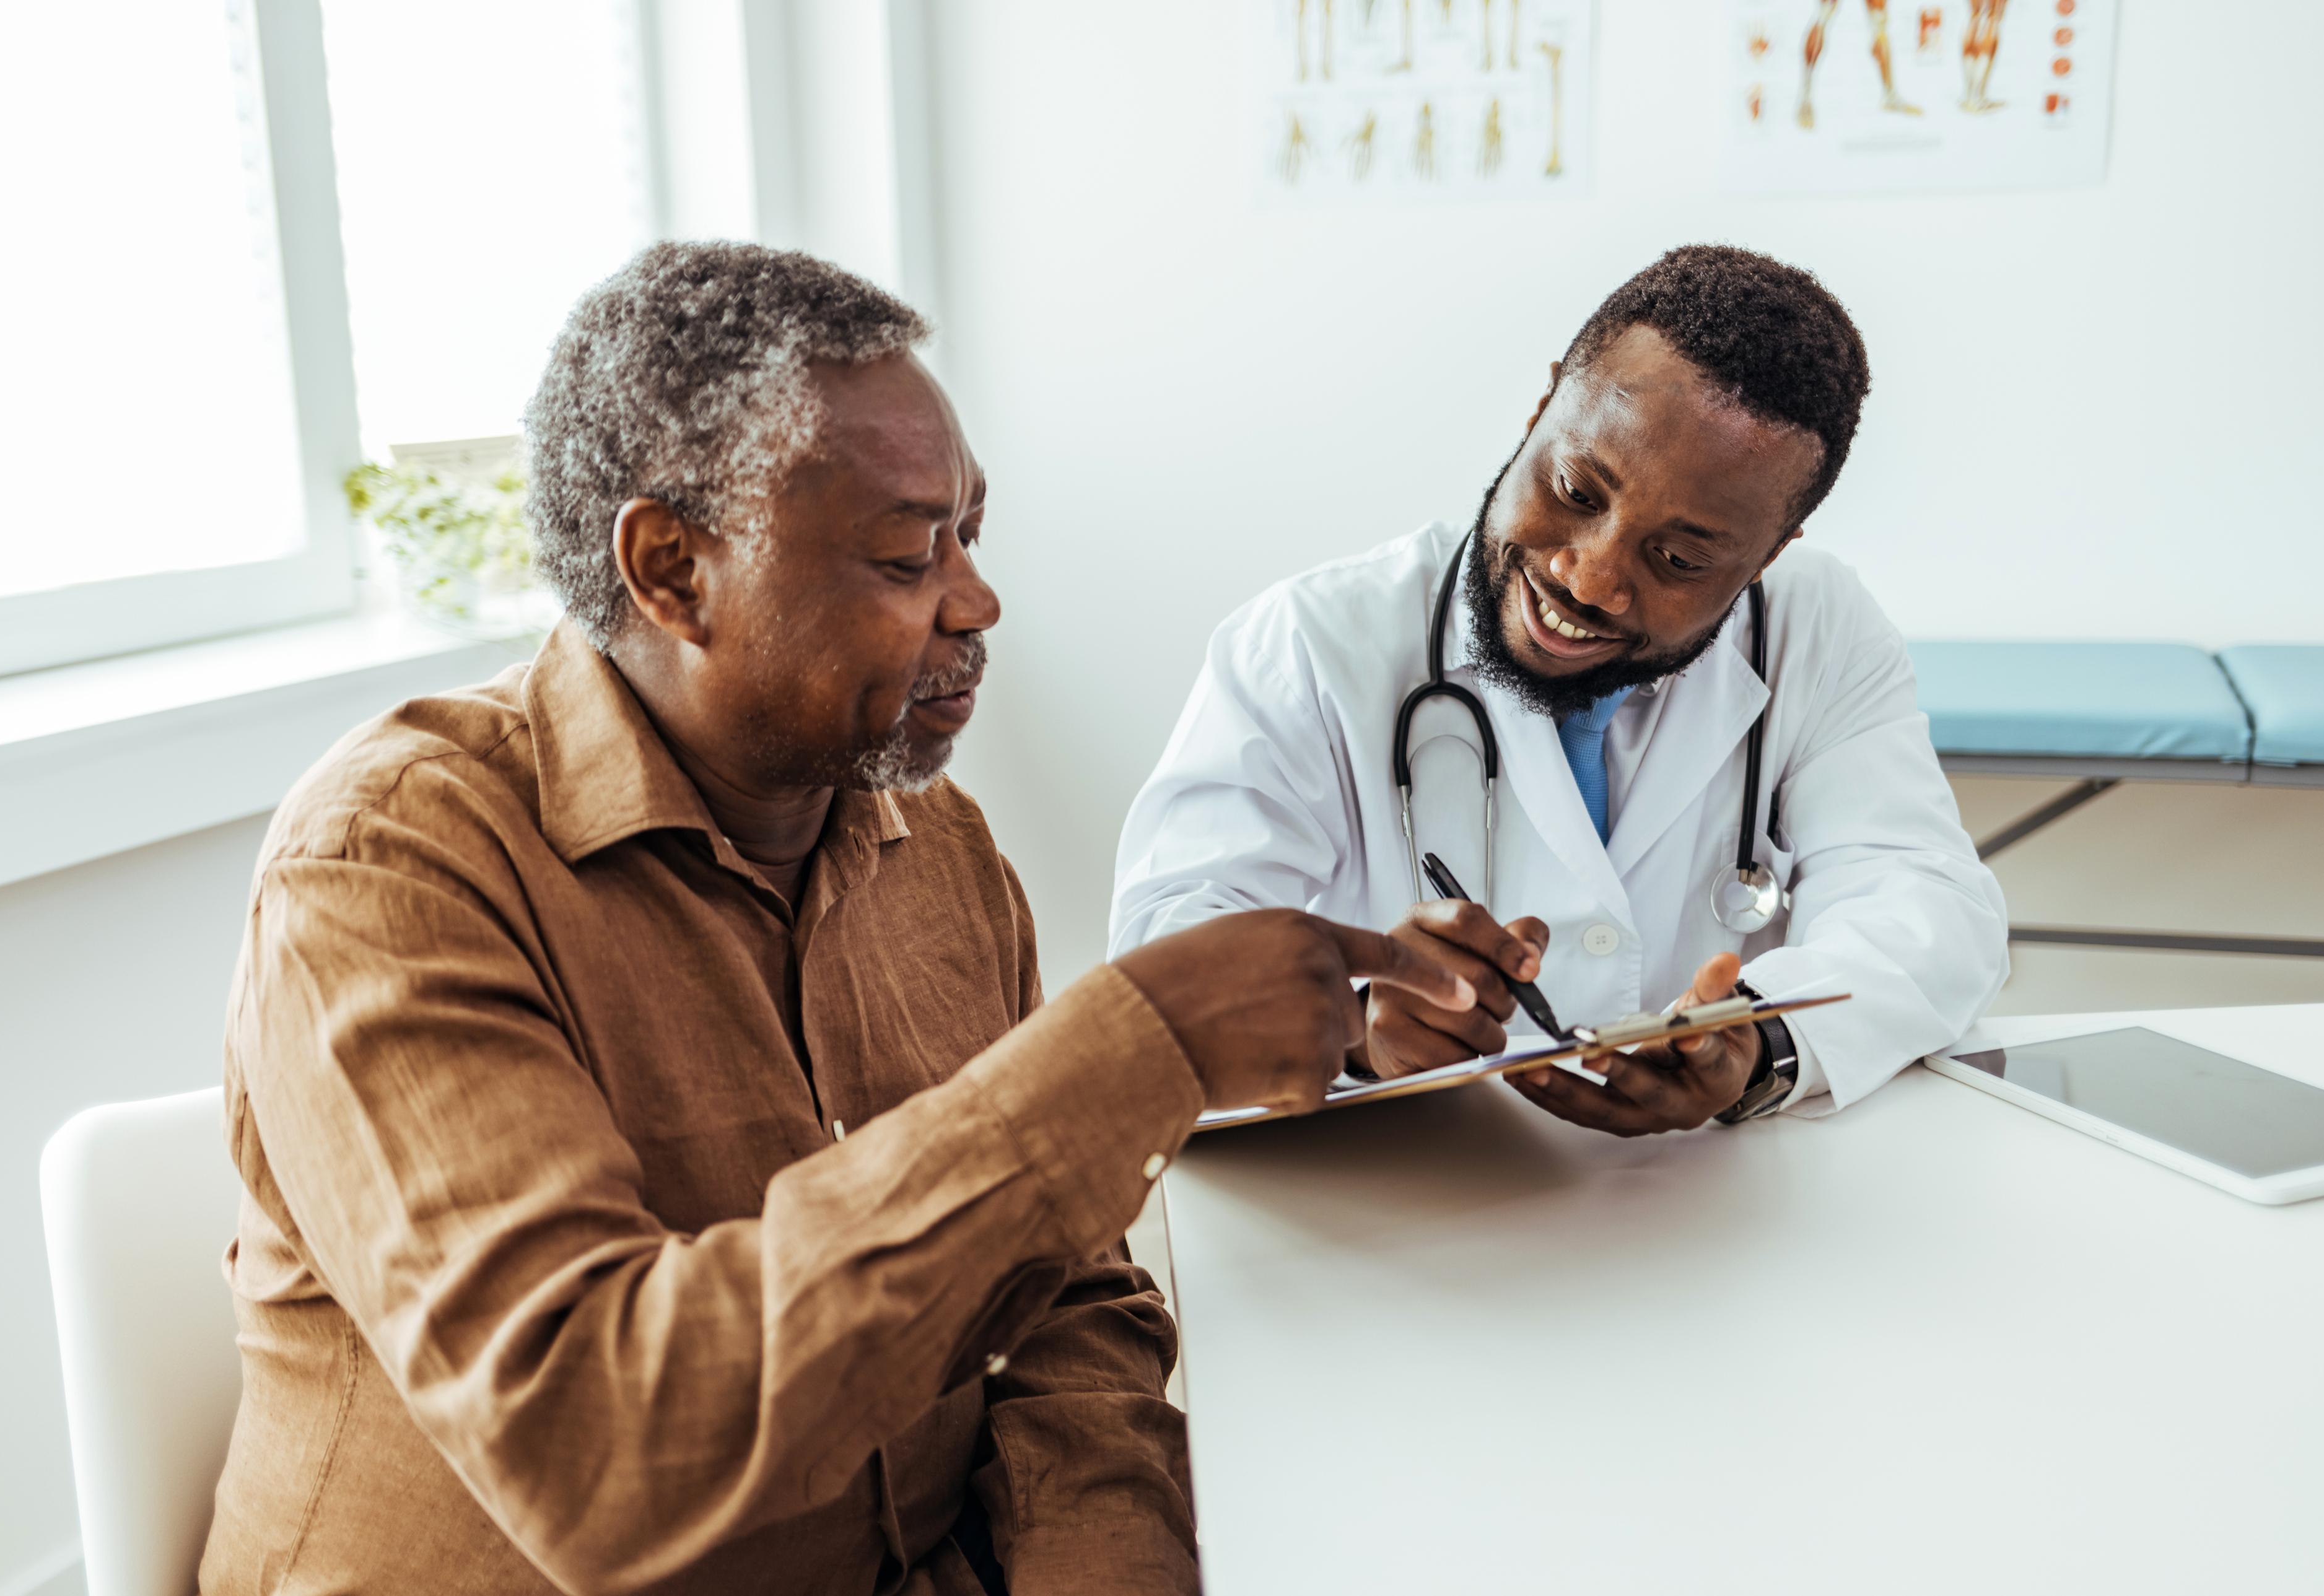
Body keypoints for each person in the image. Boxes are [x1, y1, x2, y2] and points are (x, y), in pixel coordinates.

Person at [200, 243, 1469, 1596]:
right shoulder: (393, 863)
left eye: (972, 532)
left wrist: (1106, 1567)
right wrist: (1127, 1048)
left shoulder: (941, 851)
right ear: (673, 569)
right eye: (907, 552)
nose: (977, 602)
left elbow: (1062, 1304)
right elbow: (591, 1446)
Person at [1111, 245, 2007, 1134]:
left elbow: (1928, 905)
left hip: (1704, 1212)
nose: (1590, 577)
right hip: (1402, 1219)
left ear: (1771, 552)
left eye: (1680, 559)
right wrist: (1354, 1027)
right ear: (1545, 404)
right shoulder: (1311, 642)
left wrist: (1760, 1040)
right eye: (1577, 488)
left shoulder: (1815, 627)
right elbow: (1158, 963)